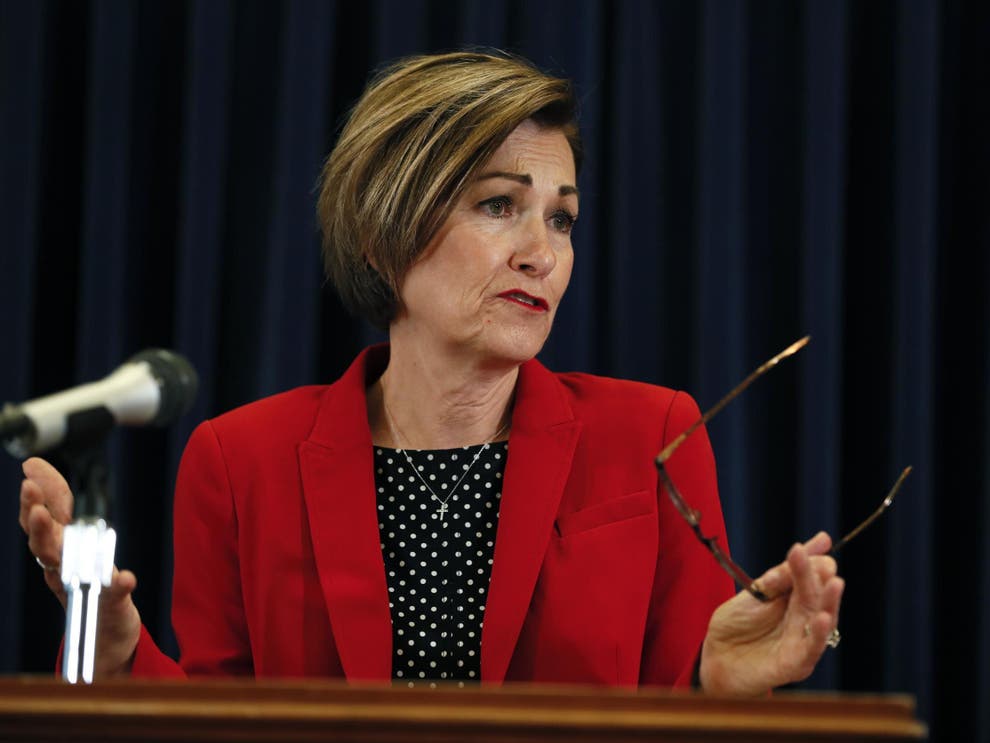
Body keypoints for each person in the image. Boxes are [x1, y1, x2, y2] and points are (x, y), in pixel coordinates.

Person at [18, 50, 843, 694]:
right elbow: (219, 720)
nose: (543, 253)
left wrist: (714, 687)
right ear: (383, 234)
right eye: (499, 205)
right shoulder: (240, 461)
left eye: (562, 217)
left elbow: (679, 706)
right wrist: (116, 648)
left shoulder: (653, 435)